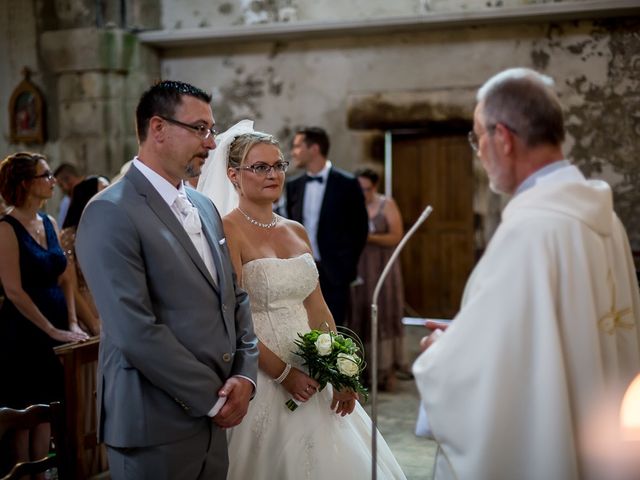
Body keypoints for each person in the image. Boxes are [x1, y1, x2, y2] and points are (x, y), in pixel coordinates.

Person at [413, 68, 640, 480]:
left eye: (477, 137)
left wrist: (439, 348)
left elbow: (486, 373)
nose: (478, 151)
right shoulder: (605, 219)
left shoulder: (530, 230)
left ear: (503, 138)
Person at [197, 120, 407, 479]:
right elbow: (232, 316)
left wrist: (340, 370)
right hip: (262, 371)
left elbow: (317, 307)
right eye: (260, 167)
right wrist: (283, 374)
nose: (273, 174)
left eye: (278, 165)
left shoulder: (296, 231)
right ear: (233, 175)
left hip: (314, 367)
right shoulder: (226, 229)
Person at [75, 80, 259, 480]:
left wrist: (245, 374)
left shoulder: (205, 207)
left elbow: (234, 297)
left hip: (216, 417)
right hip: (154, 423)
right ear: (157, 128)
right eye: (200, 129)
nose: (211, 143)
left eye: (211, 130)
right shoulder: (110, 211)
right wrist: (214, 399)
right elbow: (134, 329)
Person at [0, 152, 89, 473]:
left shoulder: (49, 222)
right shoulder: (7, 227)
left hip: (57, 325)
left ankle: (44, 476)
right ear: (25, 183)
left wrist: (72, 321)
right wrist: (51, 330)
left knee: (50, 410)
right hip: (23, 330)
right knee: (25, 414)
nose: (53, 180)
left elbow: (65, 276)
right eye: (45, 175)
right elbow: (13, 289)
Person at [285, 127, 369, 326]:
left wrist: (345, 266)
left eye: (297, 146)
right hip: (301, 270)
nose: (293, 152)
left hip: (335, 273)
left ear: (314, 149)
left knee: (334, 329)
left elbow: (360, 230)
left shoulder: (347, 184)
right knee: (302, 328)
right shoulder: (293, 185)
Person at [349, 167, 408, 392]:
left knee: (383, 311)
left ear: (375, 187)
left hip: (382, 265)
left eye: (366, 189)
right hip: (359, 264)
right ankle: (360, 369)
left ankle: (387, 370)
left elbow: (396, 235)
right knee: (359, 312)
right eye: (359, 188)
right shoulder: (353, 204)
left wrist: (369, 237)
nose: (362, 193)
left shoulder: (386, 204)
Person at [60, 175, 110, 335]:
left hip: (113, 310)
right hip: (90, 315)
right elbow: (70, 287)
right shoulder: (69, 236)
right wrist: (94, 324)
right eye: (104, 190)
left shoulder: (110, 231)